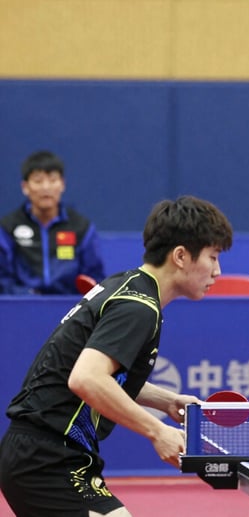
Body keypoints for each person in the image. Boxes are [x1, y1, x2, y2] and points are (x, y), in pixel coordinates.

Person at [0, 195, 234, 516]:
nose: (218, 271)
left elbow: (102, 375)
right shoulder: (138, 308)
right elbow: (86, 378)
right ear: (181, 256)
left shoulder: (128, 286)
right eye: (213, 256)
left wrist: (166, 400)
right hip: (45, 458)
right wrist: (157, 430)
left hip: (51, 453)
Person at [0, 150, 106, 295]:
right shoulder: (8, 227)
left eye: (52, 180)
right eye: (38, 181)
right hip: (22, 306)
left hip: (70, 308)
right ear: (25, 187)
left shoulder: (81, 227)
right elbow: (3, 279)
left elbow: (94, 277)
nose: (46, 187)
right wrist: (27, 297)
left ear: (62, 184)